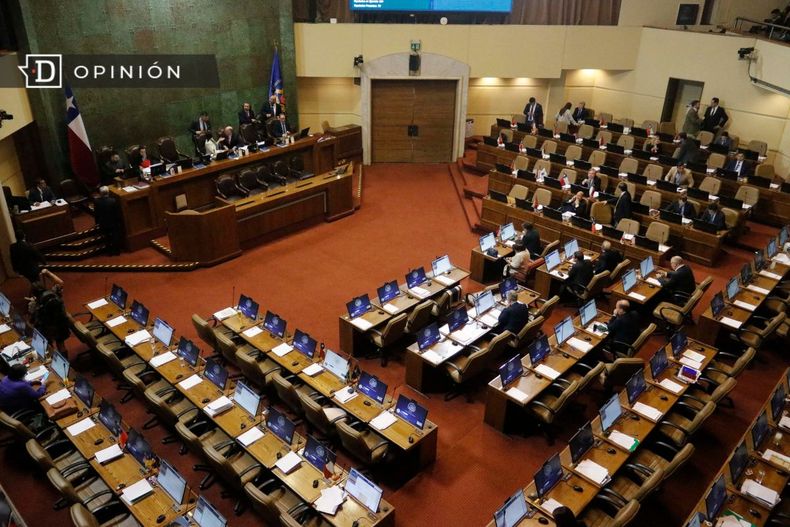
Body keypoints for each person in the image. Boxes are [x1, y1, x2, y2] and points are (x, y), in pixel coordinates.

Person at [30, 269, 69, 357]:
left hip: (47, 327)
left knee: (49, 347)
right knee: (61, 344)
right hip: (60, 323)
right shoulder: (54, 293)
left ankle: (52, 361)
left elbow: (33, 317)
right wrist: (47, 273)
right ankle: (66, 363)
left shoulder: (34, 304)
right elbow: (60, 282)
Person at [94, 186, 123, 255]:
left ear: (100, 193)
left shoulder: (97, 202)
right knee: (115, 236)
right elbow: (117, 213)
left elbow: (96, 213)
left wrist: (97, 222)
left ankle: (109, 252)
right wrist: (119, 221)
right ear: (108, 192)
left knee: (106, 237)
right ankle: (117, 251)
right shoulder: (113, 201)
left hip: (103, 222)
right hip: (113, 222)